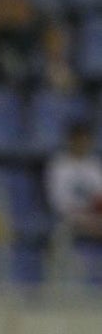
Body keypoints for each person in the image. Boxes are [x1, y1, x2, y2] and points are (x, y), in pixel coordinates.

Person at [43, 119, 102, 281]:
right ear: (70, 140)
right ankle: (54, 282)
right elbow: (58, 202)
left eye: (85, 140)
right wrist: (82, 219)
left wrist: (94, 218)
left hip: (93, 218)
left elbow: (99, 198)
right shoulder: (59, 165)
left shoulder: (94, 165)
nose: (82, 144)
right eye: (78, 140)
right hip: (66, 219)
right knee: (60, 233)